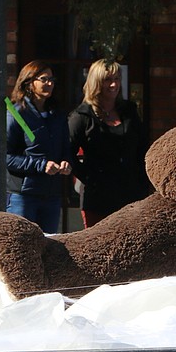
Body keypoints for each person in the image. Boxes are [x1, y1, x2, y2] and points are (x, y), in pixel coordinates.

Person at [68, 58, 153, 227]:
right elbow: (67, 152)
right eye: (108, 80)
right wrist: (90, 176)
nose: (113, 85)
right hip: (98, 198)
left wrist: (143, 180)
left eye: (116, 79)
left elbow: (143, 147)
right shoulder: (82, 116)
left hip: (131, 195)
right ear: (96, 82)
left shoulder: (129, 111)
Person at [4, 60, 73, 233]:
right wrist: (41, 165)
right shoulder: (16, 113)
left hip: (52, 195)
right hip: (23, 196)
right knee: (21, 247)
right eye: (44, 79)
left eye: (52, 79)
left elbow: (66, 149)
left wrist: (66, 162)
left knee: (49, 248)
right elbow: (6, 156)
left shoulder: (57, 115)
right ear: (29, 83)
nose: (50, 83)